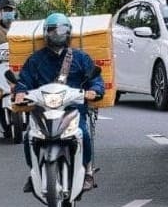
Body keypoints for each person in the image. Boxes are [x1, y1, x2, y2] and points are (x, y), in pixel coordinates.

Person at [14, 13, 105, 191]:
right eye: (53, 30)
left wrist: (95, 91)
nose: (57, 34)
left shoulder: (80, 58)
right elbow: (24, 81)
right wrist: (20, 93)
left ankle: (87, 171)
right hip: (43, 110)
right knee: (29, 137)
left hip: (73, 109)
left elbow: (95, 79)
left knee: (83, 134)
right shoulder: (36, 59)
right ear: (46, 33)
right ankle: (33, 172)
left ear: (69, 33)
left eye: (62, 30)